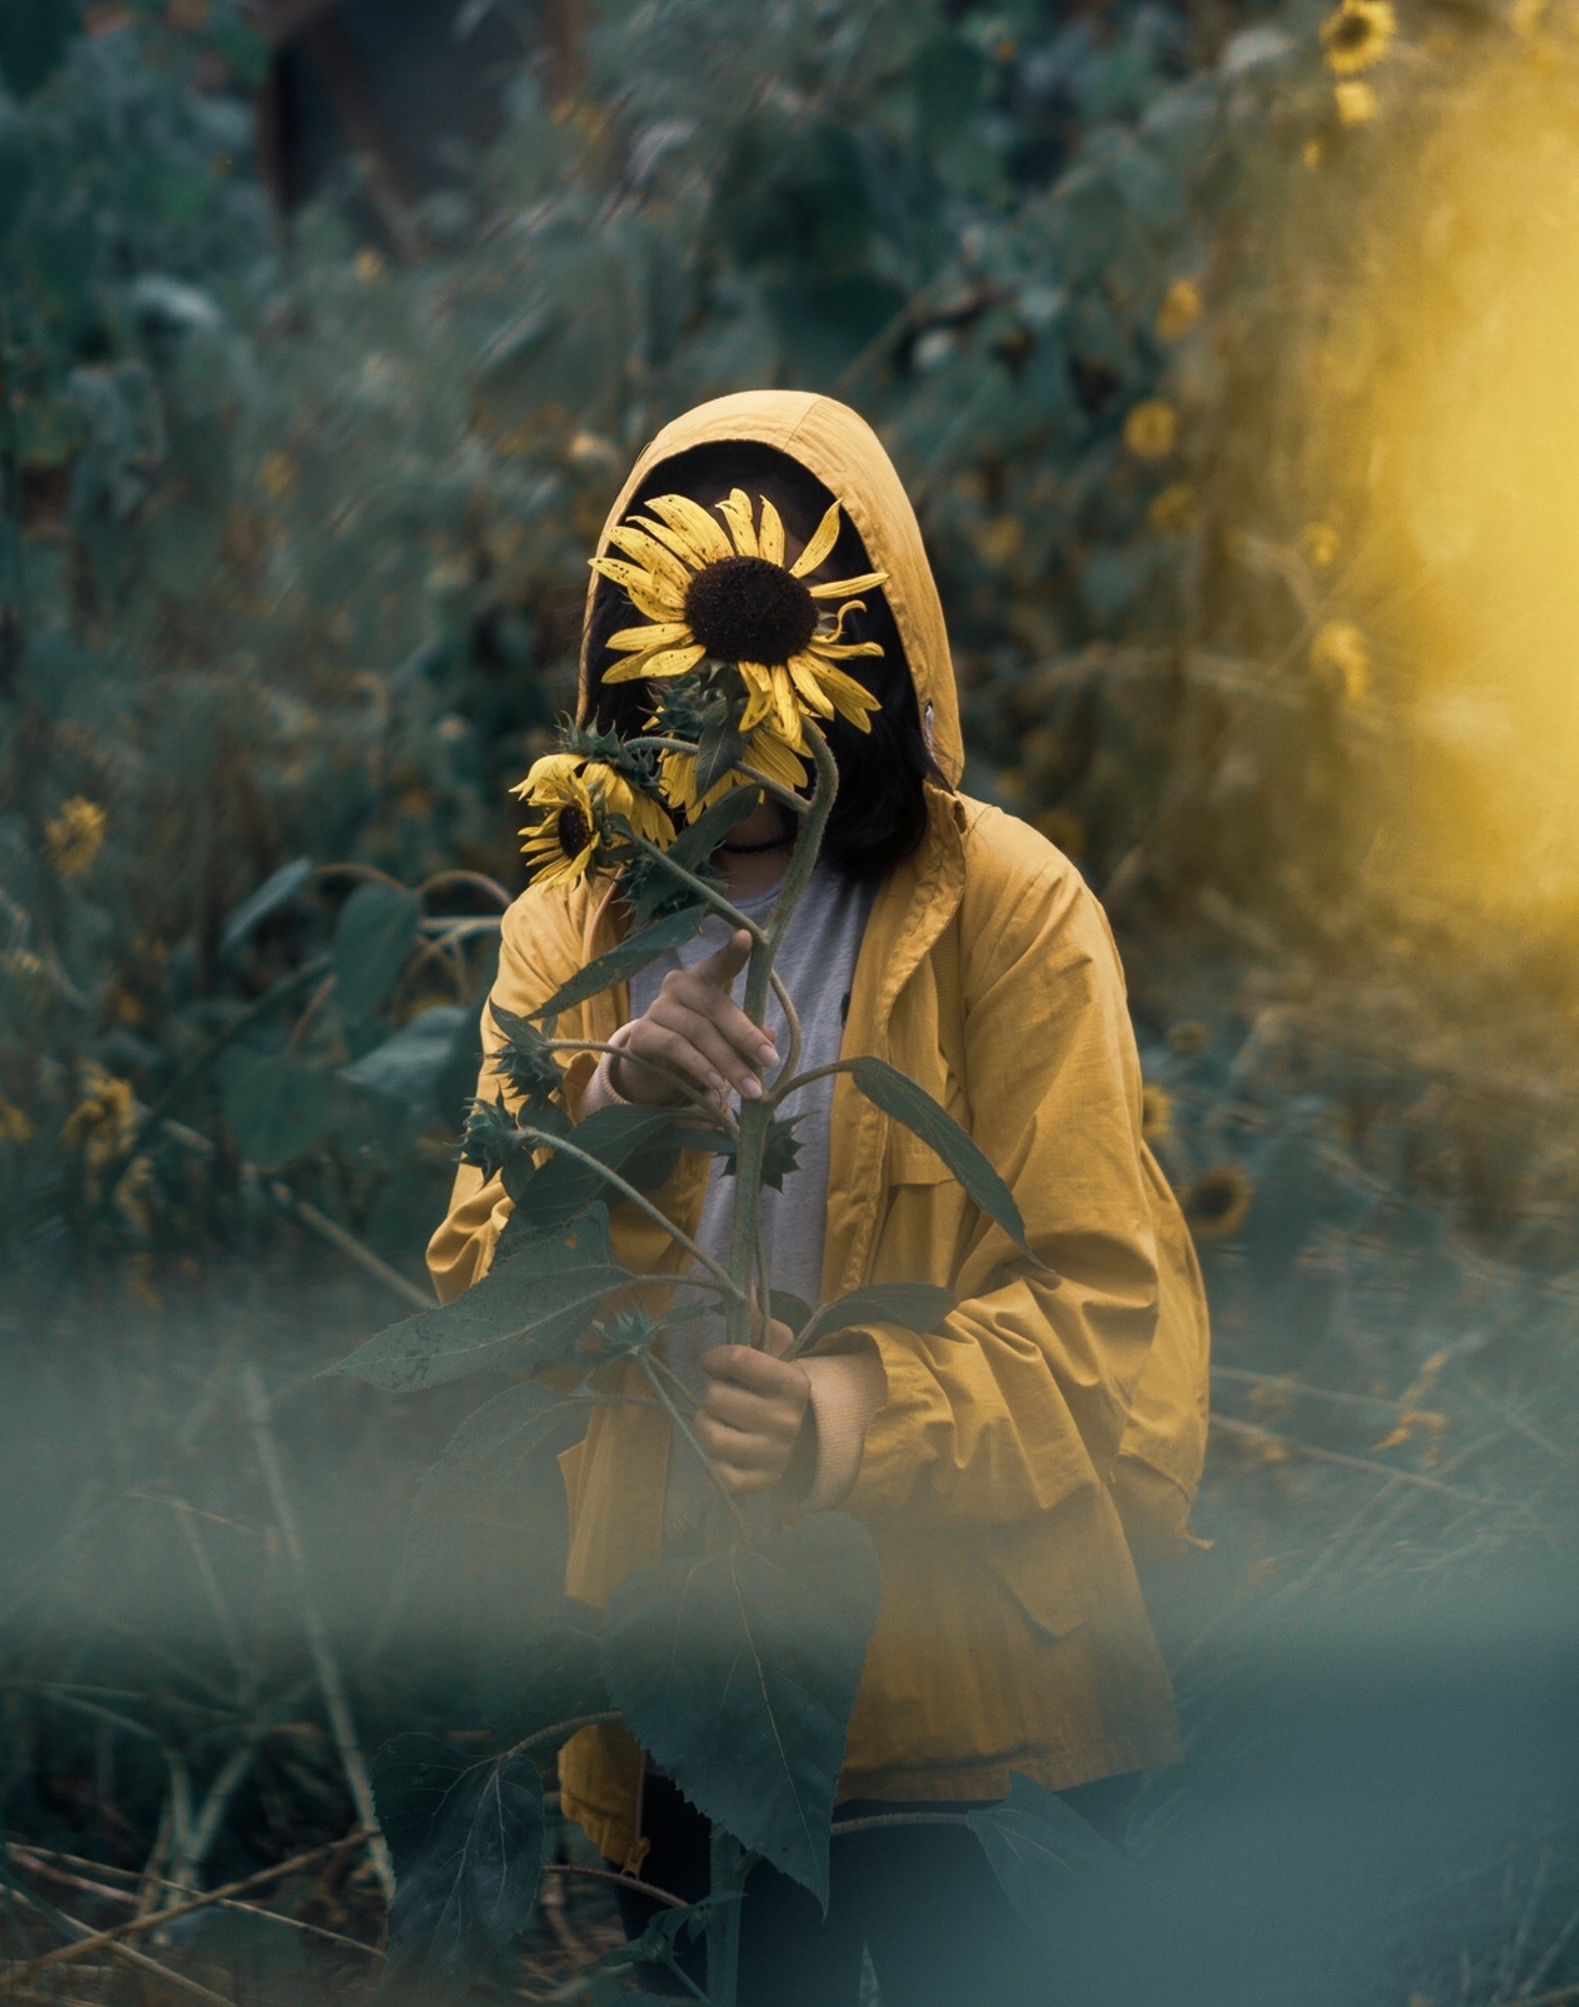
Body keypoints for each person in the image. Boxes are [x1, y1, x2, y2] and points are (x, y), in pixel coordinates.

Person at [428, 389, 1209, 2006]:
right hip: (686, 1733)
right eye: (680, 664)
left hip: (983, 1728)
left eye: (776, 659)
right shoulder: (572, 934)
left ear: (871, 655)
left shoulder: (1009, 914)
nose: (726, 713)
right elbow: (481, 1313)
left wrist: (858, 1411)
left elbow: (1121, 1341)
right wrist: (614, 1097)